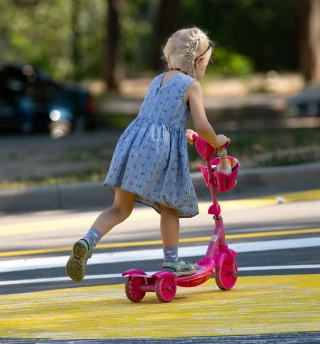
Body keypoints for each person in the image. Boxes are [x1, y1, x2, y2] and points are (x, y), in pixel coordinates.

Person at [66, 27, 229, 282]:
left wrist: (183, 133)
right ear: (198, 62)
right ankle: (172, 262)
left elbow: (159, 119)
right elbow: (203, 127)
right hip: (159, 151)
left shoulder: (156, 81)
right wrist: (216, 140)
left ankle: (88, 241)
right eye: (206, 63)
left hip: (132, 144)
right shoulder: (192, 85)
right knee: (170, 206)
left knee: (120, 208)